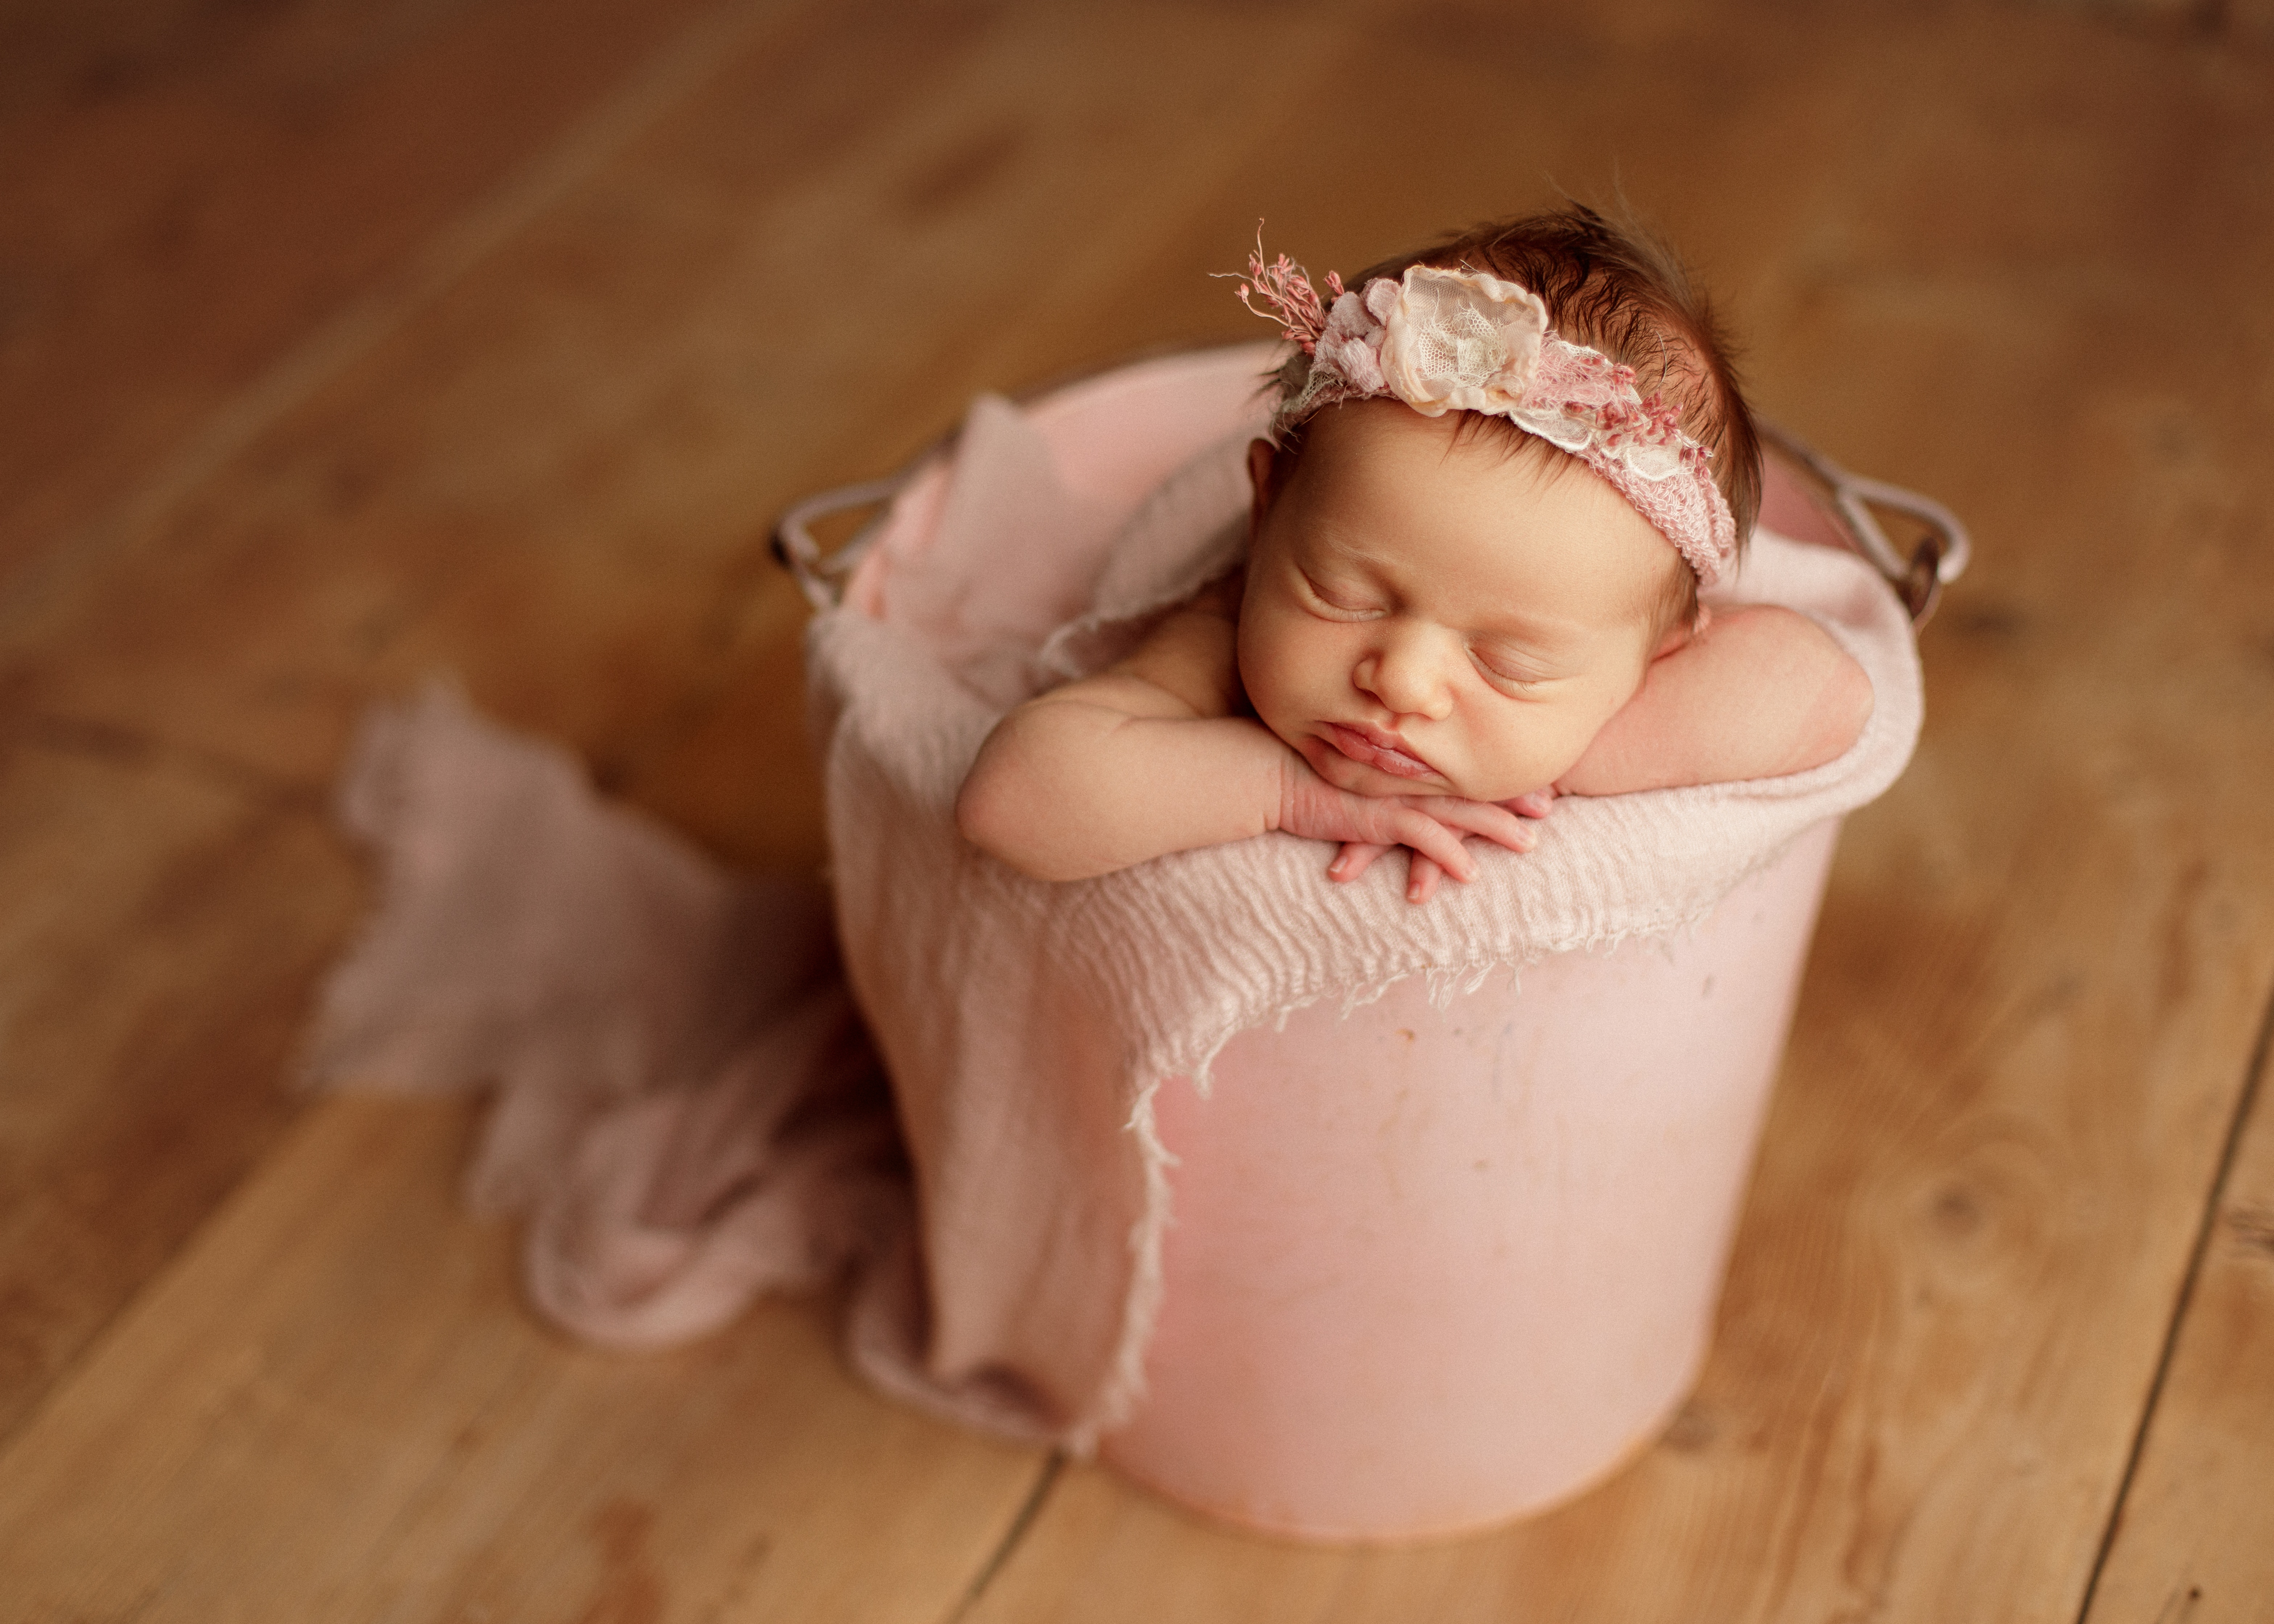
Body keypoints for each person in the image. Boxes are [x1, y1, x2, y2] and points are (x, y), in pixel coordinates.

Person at [957, 207, 1873, 903]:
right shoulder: (1218, 632)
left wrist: (1551, 757)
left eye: (1507, 661)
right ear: (1266, 510)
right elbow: (1012, 798)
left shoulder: (1619, 673)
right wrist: (1285, 792)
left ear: (1657, 656)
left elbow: (1827, 690)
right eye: (1344, 594)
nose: (1401, 680)